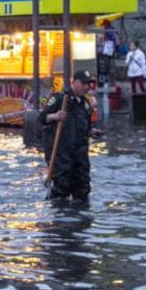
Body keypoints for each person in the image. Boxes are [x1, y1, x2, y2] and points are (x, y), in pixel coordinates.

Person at [39, 70, 96, 203]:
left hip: (80, 152)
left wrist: (92, 131)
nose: (87, 87)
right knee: (62, 186)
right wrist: (55, 116)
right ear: (74, 82)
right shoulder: (59, 98)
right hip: (61, 152)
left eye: (89, 84)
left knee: (83, 186)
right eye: (83, 84)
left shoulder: (85, 103)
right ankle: (58, 218)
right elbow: (42, 118)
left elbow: (86, 125)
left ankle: (80, 219)